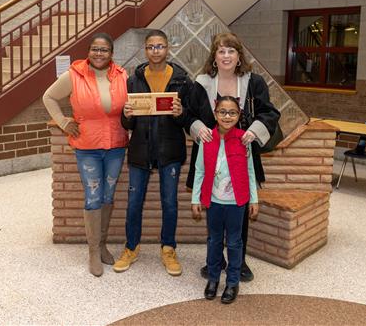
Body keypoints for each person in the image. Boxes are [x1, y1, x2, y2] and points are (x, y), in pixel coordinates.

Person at [186, 32, 280, 282]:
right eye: (221, 51)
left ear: (239, 57)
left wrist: (253, 131)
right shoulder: (202, 82)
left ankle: (240, 262)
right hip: (211, 155)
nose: (226, 56)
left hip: (241, 153)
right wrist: (198, 127)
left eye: (231, 51)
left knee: (240, 206)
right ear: (214, 57)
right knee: (214, 208)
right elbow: (188, 114)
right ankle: (215, 261)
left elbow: (269, 113)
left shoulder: (255, 82)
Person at [43, 32, 128, 277]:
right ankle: (92, 251)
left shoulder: (122, 75)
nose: (98, 54)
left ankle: (102, 245)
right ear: (88, 51)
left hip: (116, 145)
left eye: (104, 50)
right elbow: (48, 97)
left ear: (111, 54)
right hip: (87, 147)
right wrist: (62, 121)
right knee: (93, 197)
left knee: (108, 196)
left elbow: (129, 105)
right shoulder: (74, 75)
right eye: (94, 49)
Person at [112, 29, 193, 276]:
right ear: (145, 50)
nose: (155, 51)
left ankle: (168, 248)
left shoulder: (182, 80)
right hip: (140, 150)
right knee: (134, 202)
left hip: (170, 150)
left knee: (169, 203)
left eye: (160, 46)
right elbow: (129, 125)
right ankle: (131, 247)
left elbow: (188, 120)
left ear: (167, 48)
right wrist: (125, 116)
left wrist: (181, 114)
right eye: (150, 47)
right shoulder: (133, 80)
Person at [191, 96, 259, 304]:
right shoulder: (207, 139)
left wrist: (254, 199)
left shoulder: (243, 139)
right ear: (215, 114)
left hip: (236, 203)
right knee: (213, 241)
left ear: (239, 116)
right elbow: (199, 170)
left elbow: (250, 171)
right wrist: (196, 199)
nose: (227, 116)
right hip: (214, 202)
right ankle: (213, 279)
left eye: (232, 112)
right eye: (222, 112)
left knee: (235, 242)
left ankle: (232, 282)